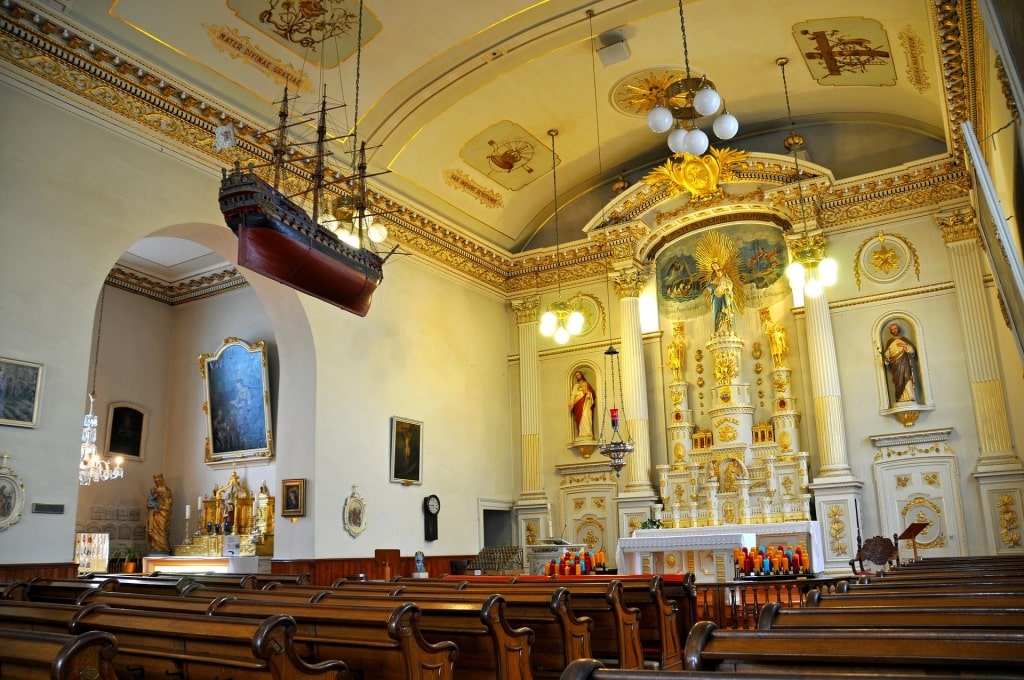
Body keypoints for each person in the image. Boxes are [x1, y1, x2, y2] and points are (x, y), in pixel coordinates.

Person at [883, 323, 918, 404]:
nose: (894, 330)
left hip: (905, 363)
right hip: (896, 366)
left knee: (907, 378)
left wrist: (904, 345)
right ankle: (900, 398)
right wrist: (887, 360)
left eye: (895, 328)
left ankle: (910, 397)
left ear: (898, 329)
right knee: (898, 382)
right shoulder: (889, 342)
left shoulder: (904, 339)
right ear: (890, 331)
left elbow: (912, 351)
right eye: (892, 329)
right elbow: (887, 355)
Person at [146, 473, 173, 553]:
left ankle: (163, 548)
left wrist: (159, 507)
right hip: (154, 514)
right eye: (155, 482)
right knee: (153, 531)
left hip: (163, 514)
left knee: (162, 530)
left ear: (162, 481)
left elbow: (168, 504)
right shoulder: (154, 490)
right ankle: (154, 547)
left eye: (158, 481)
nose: (156, 483)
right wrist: (149, 505)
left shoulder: (167, 491)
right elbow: (150, 500)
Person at [707, 261, 736, 333]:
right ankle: (717, 330)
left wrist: (726, 287)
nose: (714, 267)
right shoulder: (712, 276)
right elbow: (709, 286)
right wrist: (715, 285)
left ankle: (728, 329)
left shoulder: (725, 275)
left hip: (724, 295)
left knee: (726, 309)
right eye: (713, 266)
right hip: (716, 296)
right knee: (716, 311)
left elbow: (730, 284)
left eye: (715, 265)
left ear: (718, 265)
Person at [569, 370, 595, 439]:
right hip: (578, 404)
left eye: (579, 375)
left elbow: (592, 394)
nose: (578, 376)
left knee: (586, 416)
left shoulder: (586, 384)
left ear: (581, 375)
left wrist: (588, 393)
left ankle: (588, 433)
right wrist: (571, 403)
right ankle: (581, 433)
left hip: (586, 403)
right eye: (576, 376)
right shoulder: (576, 386)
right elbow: (573, 395)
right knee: (580, 418)